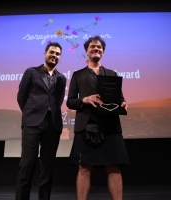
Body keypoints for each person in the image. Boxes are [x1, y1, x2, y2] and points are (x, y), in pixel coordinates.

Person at [66, 36, 130, 200]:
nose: (96, 49)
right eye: (93, 47)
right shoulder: (77, 75)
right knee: (84, 168)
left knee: (114, 168)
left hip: (110, 126)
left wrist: (123, 103)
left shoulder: (112, 74)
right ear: (87, 51)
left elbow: (120, 98)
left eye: (99, 47)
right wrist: (84, 100)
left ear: (103, 51)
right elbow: (71, 102)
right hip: (86, 126)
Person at [16, 42, 66, 200]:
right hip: (32, 123)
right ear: (45, 53)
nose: (54, 55)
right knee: (27, 165)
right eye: (52, 52)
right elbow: (22, 96)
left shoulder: (62, 78)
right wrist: (31, 112)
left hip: (52, 124)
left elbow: (58, 101)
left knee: (47, 168)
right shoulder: (31, 72)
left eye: (58, 54)